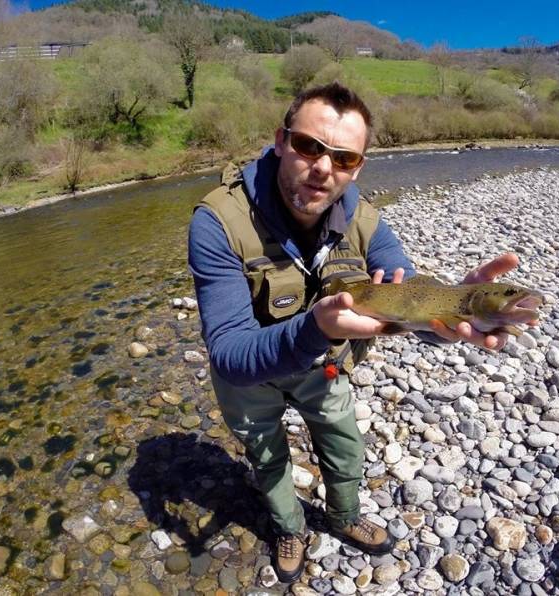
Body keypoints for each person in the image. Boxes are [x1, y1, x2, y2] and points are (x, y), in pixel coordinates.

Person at [188, 82, 524, 583]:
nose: (323, 168)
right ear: (281, 141)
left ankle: (344, 517)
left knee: (345, 447)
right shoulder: (217, 222)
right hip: (251, 377)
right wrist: (315, 328)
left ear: (358, 166)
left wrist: (457, 315)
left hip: (323, 365)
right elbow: (230, 353)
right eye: (308, 147)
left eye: (343, 158)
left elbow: (406, 307)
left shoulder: (368, 224)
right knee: (267, 455)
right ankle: (290, 527)